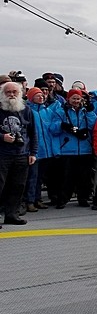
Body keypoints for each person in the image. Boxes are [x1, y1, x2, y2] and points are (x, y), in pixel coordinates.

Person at [50, 89, 97, 208]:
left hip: (85, 148)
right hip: (67, 149)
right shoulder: (61, 111)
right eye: (74, 98)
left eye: (78, 98)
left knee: (85, 177)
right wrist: (63, 125)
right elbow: (53, 129)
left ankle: (83, 198)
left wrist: (91, 112)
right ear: (68, 99)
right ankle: (63, 199)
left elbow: (94, 126)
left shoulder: (86, 111)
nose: (76, 101)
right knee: (66, 177)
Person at [0, 82, 37, 226]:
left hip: (22, 154)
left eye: (14, 92)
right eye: (8, 92)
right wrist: (3, 137)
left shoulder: (26, 110)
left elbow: (33, 133)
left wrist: (33, 152)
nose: (11, 95)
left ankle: (12, 214)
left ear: (20, 93)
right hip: (2, 154)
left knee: (18, 186)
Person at [24, 87, 55, 213]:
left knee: (40, 178)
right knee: (32, 177)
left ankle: (37, 199)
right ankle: (29, 201)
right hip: (35, 150)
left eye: (42, 95)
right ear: (31, 97)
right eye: (38, 95)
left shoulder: (46, 111)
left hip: (46, 149)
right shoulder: (28, 111)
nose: (41, 97)